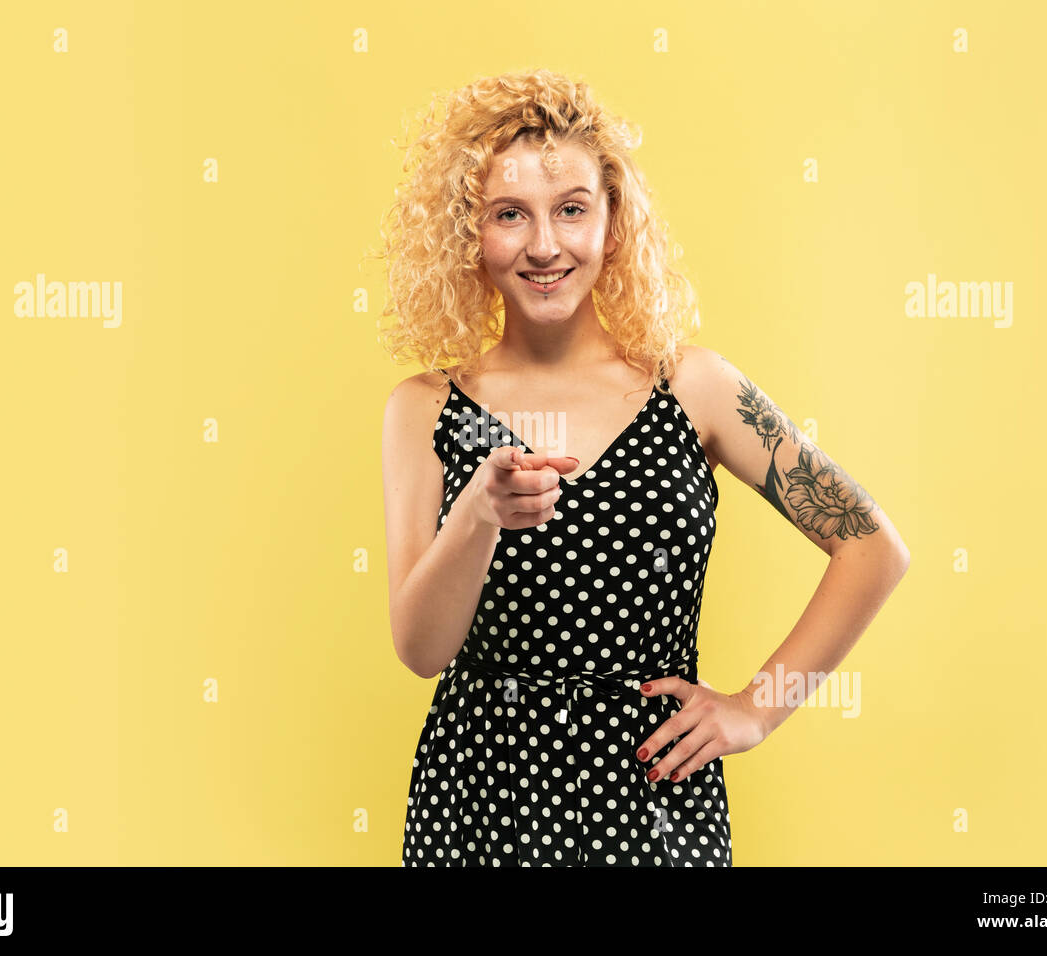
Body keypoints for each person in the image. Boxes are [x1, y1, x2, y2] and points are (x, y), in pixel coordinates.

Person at [373, 69, 910, 866]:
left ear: (613, 224)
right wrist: (477, 514)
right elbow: (421, 651)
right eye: (509, 215)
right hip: (478, 801)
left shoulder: (693, 387)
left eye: (572, 210)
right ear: (469, 233)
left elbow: (872, 546)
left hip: (653, 802)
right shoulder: (423, 408)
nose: (545, 244)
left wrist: (756, 711)